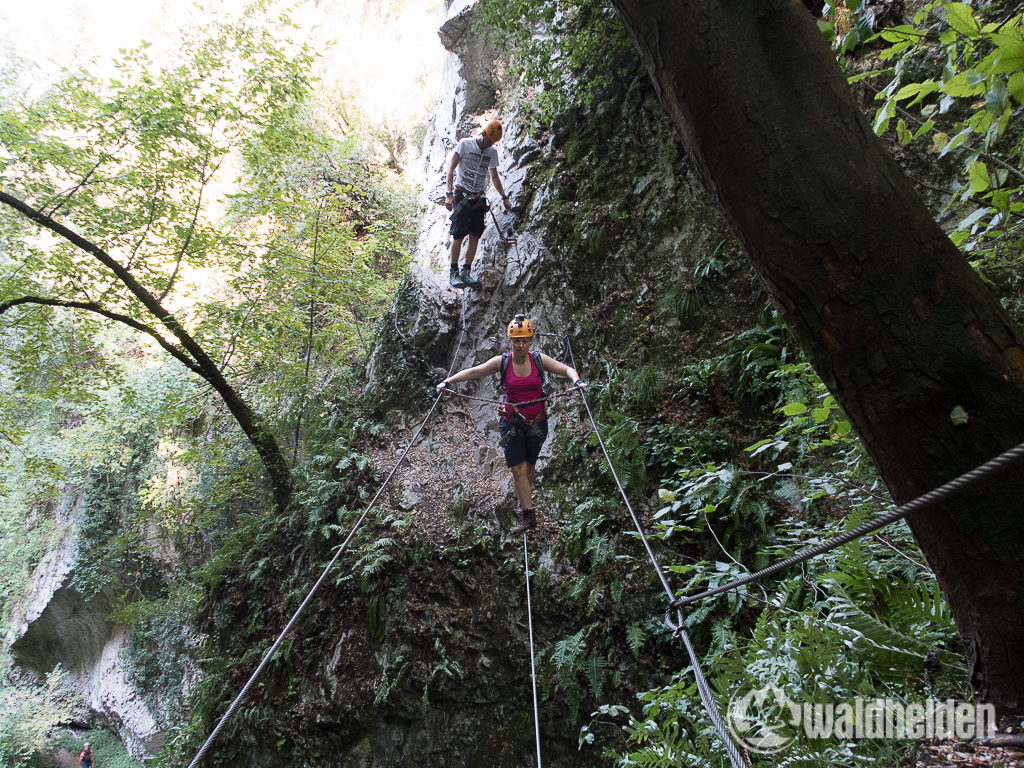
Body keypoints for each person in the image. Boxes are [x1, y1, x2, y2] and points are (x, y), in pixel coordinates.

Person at [437, 315, 586, 533]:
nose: (521, 345)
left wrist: (577, 381)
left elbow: (566, 369)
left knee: (528, 468)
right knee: (518, 470)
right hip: (511, 423)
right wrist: (448, 381)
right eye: (516, 341)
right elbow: (475, 371)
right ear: (510, 341)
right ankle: (528, 515)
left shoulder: (538, 360)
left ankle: (523, 499)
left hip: (536, 424)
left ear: (530, 341)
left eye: (525, 340)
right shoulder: (503, 362)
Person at [443, 119, 513, 290]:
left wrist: (504, 197)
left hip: (479, 197)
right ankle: (454, 273)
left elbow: (494, 177)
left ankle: (466, 272)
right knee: (458, 235)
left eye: (492, 141)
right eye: (488, 139)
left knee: (475, 235)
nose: (489, 143)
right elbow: (451, 169)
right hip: (462, 194)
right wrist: (449, 194)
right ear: (482, 133)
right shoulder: (465, 144)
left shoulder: (492, 152)